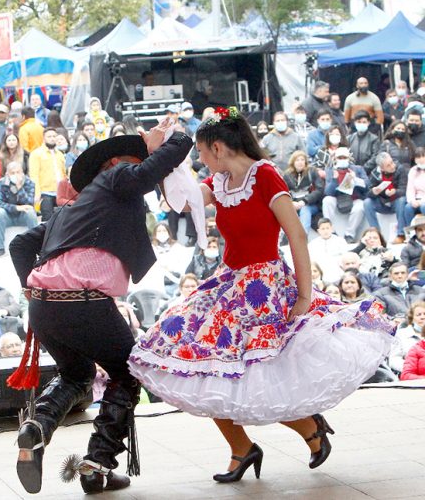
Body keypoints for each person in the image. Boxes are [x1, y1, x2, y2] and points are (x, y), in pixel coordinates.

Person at [129, 106, 393, 486]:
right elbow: (180, 200)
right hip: (229, 283)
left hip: (265, 288)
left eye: (201, 152)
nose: (201, 160)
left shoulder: (266, 176)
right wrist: (162, 152)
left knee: (261, 376)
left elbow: (297, 237)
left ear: (218, 148)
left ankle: (307, 429)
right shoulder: (218, 182)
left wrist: (304, 296)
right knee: (206, 368)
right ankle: (245, 446)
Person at [8, 119, 193, 494]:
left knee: (76, 376)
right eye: (132, 161)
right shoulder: (115, 178)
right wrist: (175, 140)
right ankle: (97, 465)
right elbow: (147, 172)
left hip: (46, 307)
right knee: (130, 371)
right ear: (114, 165)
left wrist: (32, 289)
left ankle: (38, 427)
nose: (136, 167)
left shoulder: (71, 209)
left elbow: (19, 245)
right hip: (83, 303)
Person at [321, 147, 368, 244]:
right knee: (327, 200)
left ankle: (349, 234)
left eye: (344, 157)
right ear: (335, 159)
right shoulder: (330, 170)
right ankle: (331, 231)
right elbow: (327, 192)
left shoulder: (358, 169)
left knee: (360, 206)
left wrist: (356, 180)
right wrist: (334, 180)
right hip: (337, 198)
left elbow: (367, 185)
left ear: (349, 158)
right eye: (340, 158)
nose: (342, 160)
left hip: (354, 198)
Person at [0, 162, 38, 256]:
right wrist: (16, 208)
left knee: (30, 212)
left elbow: (29, 203)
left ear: (22, 172)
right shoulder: (2, 183)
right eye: (13, 173)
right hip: (8, 216)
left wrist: (19, 188)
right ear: (7, 174)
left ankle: (37, 246)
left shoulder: (29, 182)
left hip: (23, 216)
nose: (16, 175)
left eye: (18, 172)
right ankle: (0, 248)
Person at [363, 152, 407, 244]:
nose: (392, 166)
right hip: (382, 202)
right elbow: (367, 193)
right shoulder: (375, 174)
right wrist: (374, 192)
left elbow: (404, 189)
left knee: (402, 200)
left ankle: (401, 234)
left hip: (396, 202)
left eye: (391, 162)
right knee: (367, 202)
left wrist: (395, 191)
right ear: (382, 168)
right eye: (388, 165)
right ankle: (376, 234)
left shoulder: (400, 169)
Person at [28, 127, 66, 221]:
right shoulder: (36, 154)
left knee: (61, 220)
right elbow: (34, 175)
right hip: (45, 193)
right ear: (44, 138)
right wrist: (37, 193)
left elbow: (64, 173)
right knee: (47, 221)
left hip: (60, 193)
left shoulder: (60, 154)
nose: (52, 138)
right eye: (49, 136)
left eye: (54, 136)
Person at [283, 150, 324, 235]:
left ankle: (303, 238)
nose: (300, 162)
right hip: (293, 205)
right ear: (293, 162)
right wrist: (291, 203)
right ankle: (284, 240)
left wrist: (304, 201)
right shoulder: (287, 175)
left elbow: (319, 189)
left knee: (305, 210)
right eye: (297, 160)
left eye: (302, 160)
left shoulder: (312, 171)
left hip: (310, 204)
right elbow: (284, 192)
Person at [389, 301, 425, 375]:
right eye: (418, 315)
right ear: (411, 319)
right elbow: (393, 359)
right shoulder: (401, 334)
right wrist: (410, 369)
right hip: (410, 375)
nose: (422, 317)